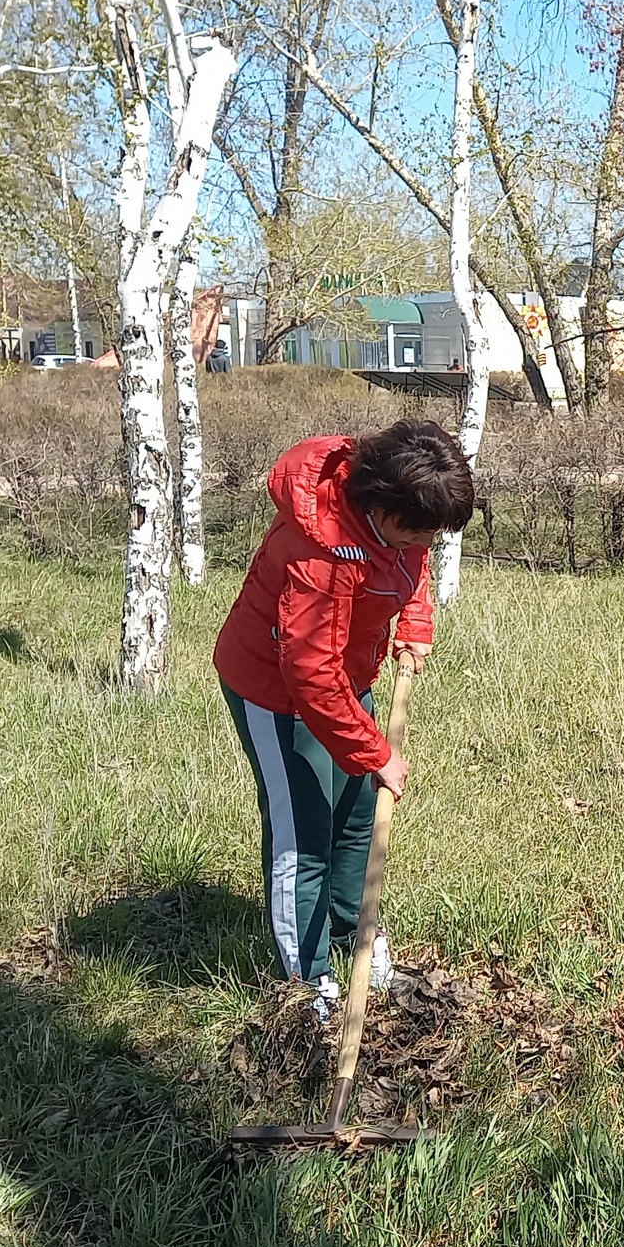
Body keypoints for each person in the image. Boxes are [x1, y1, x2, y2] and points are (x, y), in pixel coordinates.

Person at [213, 420, 480, 1024]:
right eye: (416, 527)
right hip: (275, 691)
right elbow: (308, 673)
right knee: (304, 833)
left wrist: (414, 625)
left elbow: (408, 560)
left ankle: (358, 946)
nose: (424, 541)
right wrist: (378, 752)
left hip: (343, 681)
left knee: (357, 817)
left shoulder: (394, 519)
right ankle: (311, 985)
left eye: (431, 532)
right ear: (379, 502)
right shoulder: (323, 549)